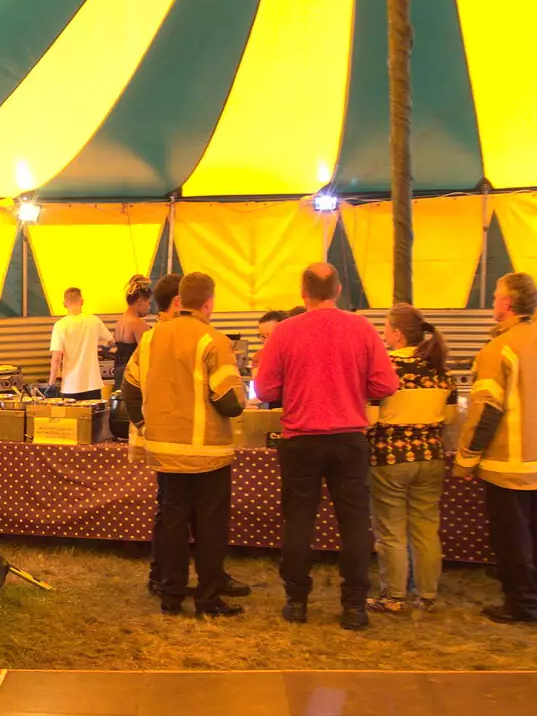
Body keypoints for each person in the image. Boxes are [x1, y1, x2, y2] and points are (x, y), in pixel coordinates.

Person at [254, 263, 399, 630]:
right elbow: (386, 385)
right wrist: (352, 387)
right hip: (349, 437)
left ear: (303, 292)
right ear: (337, 290)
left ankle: (297, 601)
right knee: (353, 523)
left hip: (301, 439)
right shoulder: (362, 328)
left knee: (299, 521)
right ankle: (354, 606)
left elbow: (266, 390)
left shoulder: (285, 332)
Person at [455, 273, 537, 624]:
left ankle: (523, 603)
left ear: (507, 303)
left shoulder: (500, 348)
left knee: (512, 536)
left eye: (495, 296)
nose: (493, 302)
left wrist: (466, 460)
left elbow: (485, 413)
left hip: (509, 464)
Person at [122, 273, 246, 617]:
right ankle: (207, 599)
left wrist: (146, 424)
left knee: (173, 524)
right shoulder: (214, 340)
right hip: (207, 452)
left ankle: (171, 594)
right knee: (210, 527)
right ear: (208, 302)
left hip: (165, 451)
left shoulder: (150, 338)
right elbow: (230, 400)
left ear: (179, 300)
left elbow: (129, 388)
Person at [367, 304, 456, 613]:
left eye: (386, 328)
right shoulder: (440, 368)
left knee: (391, 530)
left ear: (398, 334)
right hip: (431, 457)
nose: (384, 334)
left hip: (390, 458)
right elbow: (451, 417)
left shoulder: (384, 368)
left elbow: (370, 417)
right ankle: (428, 594)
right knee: (426, 527)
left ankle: (393, 596)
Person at [48, 286, 113, 401]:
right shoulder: (94, 320)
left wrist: (51, 383)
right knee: (93, 418)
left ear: (64, 304)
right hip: (93, 384)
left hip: (70, 386)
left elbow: (56, 358)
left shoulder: (60, 325)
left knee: (73, 419)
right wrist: (105, 346)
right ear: (82, 301)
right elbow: (110, 341)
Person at [112, 274, 152, 387]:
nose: (149, 307)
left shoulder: (120, 322)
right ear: (140, 301)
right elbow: (146, 355)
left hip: (119, 373)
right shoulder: (137, 323)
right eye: (148, 302)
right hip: (132, 376)